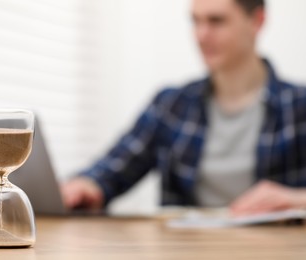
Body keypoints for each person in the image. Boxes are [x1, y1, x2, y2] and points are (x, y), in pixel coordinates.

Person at [61, 0, 306, 216]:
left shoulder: (298, 107)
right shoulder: (171, 105)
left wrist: (296, 200)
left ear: (257, 21)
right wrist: (84, 186)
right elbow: (112, 169)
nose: (201, 35)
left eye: (216, 21)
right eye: (195, 21)